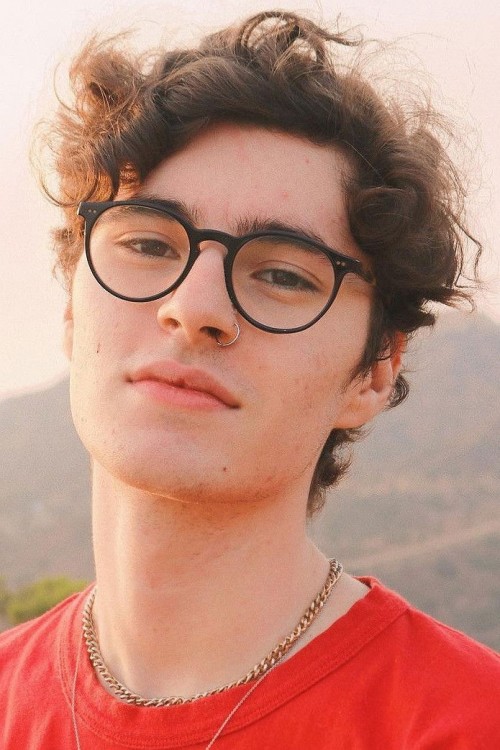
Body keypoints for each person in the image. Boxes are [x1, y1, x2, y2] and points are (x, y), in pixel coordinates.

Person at [1, 9, 499, 749]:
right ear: (73, 309)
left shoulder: (467, 723)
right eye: (148, 242)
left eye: (283, 275)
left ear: (373, 372)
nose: (194, 307)